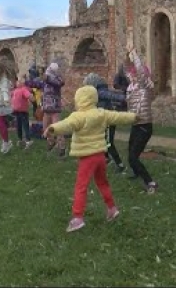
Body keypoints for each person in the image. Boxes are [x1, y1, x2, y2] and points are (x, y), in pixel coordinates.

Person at [44, 85, 136, 232]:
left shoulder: (78, 116)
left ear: (79, 100)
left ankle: (77, 218)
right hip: (100, 156)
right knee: (102, 183)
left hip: (87, 158)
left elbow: (66, 125)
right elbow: (118, 116)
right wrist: (134, 117)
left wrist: (53, 128)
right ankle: (112, 208)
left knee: (81, 186)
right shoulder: (101, 113)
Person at [124, 41, 158, 193]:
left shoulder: (144, 85)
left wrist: (134, 53)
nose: (131, 75)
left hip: (144, 125)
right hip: (136, 124)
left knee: (133, 157)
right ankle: (137, 172)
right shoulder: (132, 88)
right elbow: (126, 69)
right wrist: (127, 55)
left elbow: (139, 70)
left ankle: (150, 182)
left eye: (134, 74)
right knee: (131, 151)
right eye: (131, 74)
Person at [83, 72, 129, 173]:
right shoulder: (96, 92)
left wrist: (124, 98)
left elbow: (111, 95)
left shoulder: (100, 92)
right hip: (103, 120)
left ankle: (120, 165)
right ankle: (106, 158)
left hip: (108, 121)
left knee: (109, 143)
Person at [26, 62, 66, 158]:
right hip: (46, 110)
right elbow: (36, 83)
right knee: (45, 129)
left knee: (57, 129)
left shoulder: (58, 80)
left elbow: (55, 82)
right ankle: (51, 142)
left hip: (55, 109)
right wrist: (26, 81)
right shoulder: (45, 81)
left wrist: (46, 77)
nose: (48, 74)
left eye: (49, 72)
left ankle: (62, 148)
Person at [0, 60, 15, 154]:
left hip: (2, 103)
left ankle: (6, 142)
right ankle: (5, 140)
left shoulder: (4, 79)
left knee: (0, 123)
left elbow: (4, 90)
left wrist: (5, 100)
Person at [11, 75, 34, 150]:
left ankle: (28, 140)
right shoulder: (15, 90)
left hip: (23, 112)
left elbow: (29, 96)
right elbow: (12, 97)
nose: (17, 82)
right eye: (17, 81)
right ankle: (20, 139)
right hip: (16, 112)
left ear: (22, 83)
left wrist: (32, 98)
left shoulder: (23, 89)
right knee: (18, 126)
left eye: (19, 81)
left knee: (25, 126)